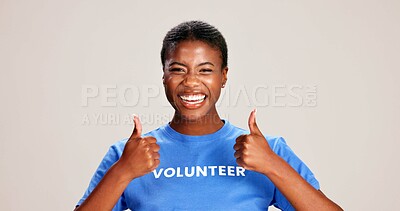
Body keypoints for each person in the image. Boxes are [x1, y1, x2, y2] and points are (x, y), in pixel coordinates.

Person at [75, 21, 342, 210]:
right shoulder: (128, 154)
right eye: (178, 69)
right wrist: (122, 172)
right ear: (164, 76)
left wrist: (272, 165)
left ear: (224, 76)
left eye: (205, 70)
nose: (191, 82)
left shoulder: (268, 151)